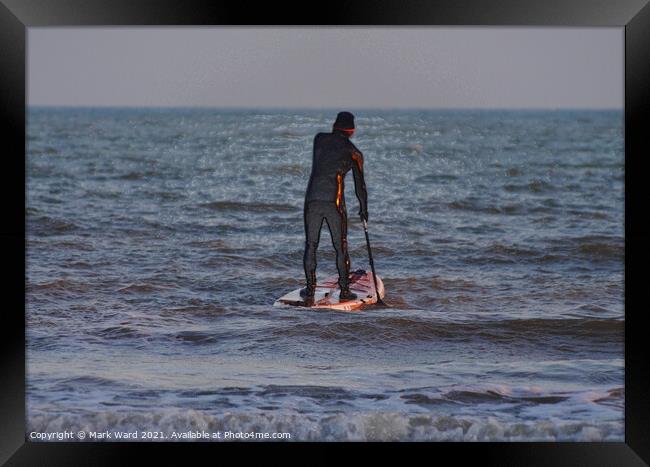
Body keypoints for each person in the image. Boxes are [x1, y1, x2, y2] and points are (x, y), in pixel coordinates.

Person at [300, 111, 368, 304]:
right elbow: (359, 186)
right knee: (340, 246)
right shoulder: (354, 153)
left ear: (335, 126)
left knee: (311, 245)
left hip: (312, 199)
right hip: (333, 202)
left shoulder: (319, 140)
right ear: (352, 130)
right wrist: (364, 210)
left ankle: (310, 289)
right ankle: (345, 290)